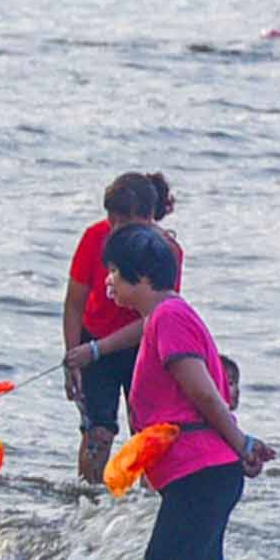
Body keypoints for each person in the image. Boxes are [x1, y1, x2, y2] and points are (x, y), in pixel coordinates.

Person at [105, 222, 268, 560]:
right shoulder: (168, 315)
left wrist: (240, 442)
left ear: (142, 275)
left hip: (204, 468)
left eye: (114, 272)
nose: (109, 281)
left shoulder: (170, 316)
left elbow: (199, 390)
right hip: (206, 471)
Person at [49, 171, 174, 483]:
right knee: (97, 432)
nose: (115, 229)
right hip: (93, 343)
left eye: (124, 222)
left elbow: (155, 318)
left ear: (148, 217)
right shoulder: (94, 237)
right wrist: (73, 356)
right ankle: (88, 506)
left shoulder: (167, 251)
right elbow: (75, 302)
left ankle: (146, 511)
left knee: (147, 435)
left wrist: (95, 350)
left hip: (143, 347)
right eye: (111, 220)